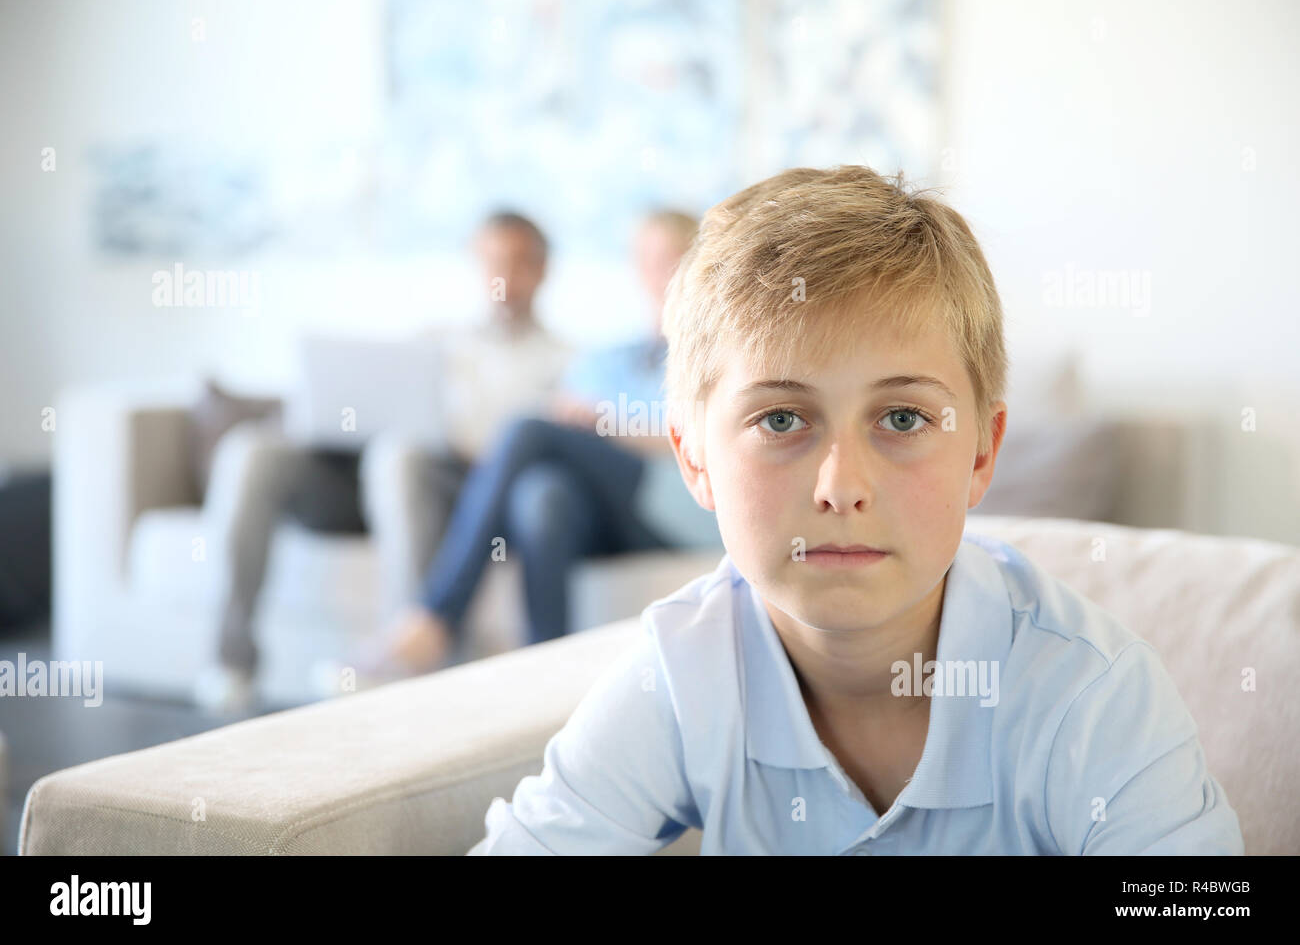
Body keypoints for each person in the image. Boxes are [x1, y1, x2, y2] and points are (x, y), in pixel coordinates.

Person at [466, 165, 1245, 854]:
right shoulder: (683, 672)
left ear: (981, 453)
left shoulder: (1092, 701)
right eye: (780, 420)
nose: (841, 486)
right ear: (695, 457)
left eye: (903, 418)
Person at [194, 211, 571, 713]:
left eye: (516, 263)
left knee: (400, 456)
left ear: (542, 271)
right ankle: (231, 663)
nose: (502, 277)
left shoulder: (563, 359)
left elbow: (537, 453)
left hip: (457, 489)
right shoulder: (434, 339)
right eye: (490, 262)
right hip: (364, 473)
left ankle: (408, 653)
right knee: (252, 451)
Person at [359, 210, 721, 679]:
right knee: (541, 495)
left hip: (670, 508)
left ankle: (434, 616)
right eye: (645, 258)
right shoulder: (608, 358)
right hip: (604, 514)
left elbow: (702, 440)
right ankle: (542, 675)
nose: (656, 270)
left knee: (527, 429)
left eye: (669, 257)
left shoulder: (713, 353)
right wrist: (578, 423)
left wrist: (604, 425)